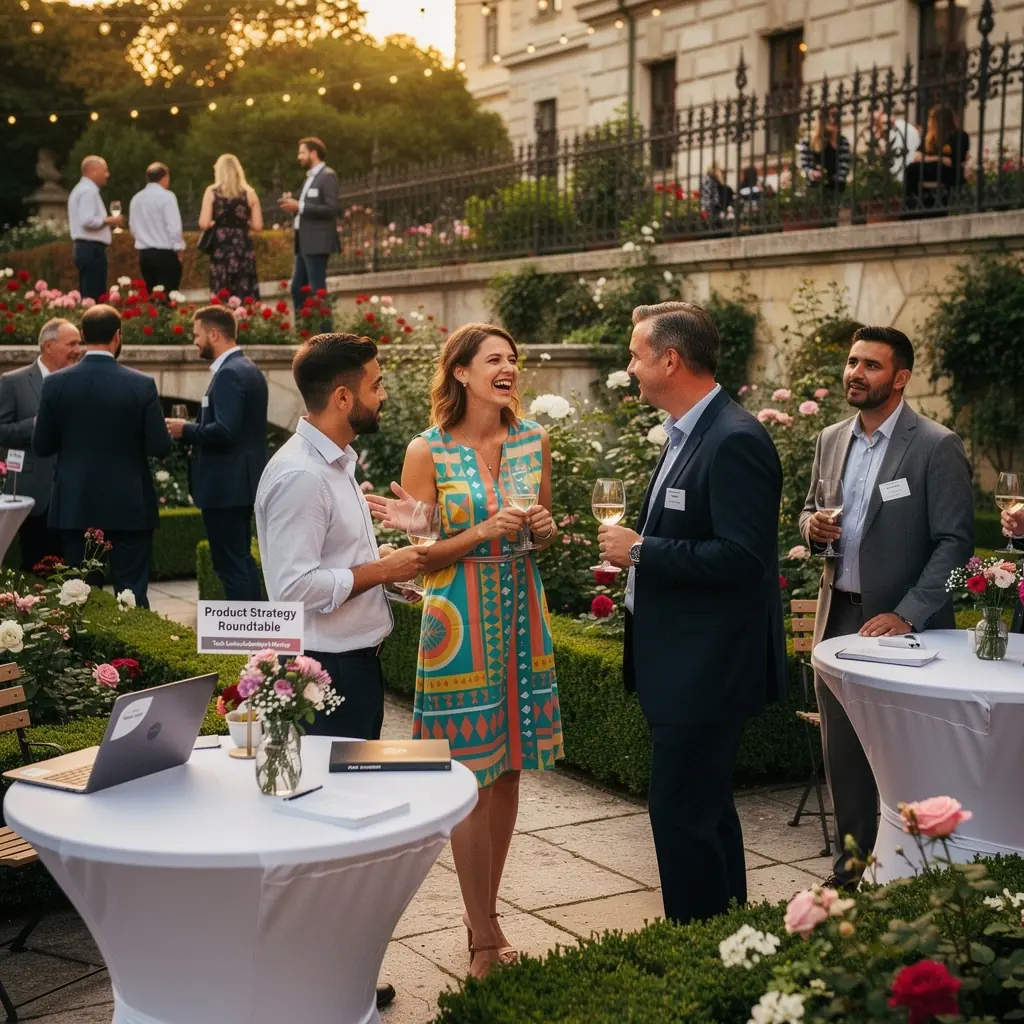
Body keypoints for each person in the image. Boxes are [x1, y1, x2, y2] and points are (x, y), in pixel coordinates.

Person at [366, 323, 563, 979]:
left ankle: (486, 913)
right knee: (466, 773)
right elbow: (420, 559)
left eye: (513, 358)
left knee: (506, 770)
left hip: (519, 615)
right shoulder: (428, 450)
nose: (508, 368)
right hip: (457, 623)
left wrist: (543, 528)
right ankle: (483, 933)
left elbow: (547, 536)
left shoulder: (535, 440)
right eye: (494, 360)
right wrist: (479, 529)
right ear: (460, 373)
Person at [595, 301, 787, 926]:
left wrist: (642, 550)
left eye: (635, 355)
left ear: (670, 360)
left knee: (681, 815)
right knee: (702, 812)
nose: (630, 367)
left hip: (706, 670)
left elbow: (743, 558)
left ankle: (696, 945)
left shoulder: (734, 438)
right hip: (681, 663)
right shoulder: (689, 431)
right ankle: (729, 939)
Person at [254, 333, 425, 1013]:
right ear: (345, 395)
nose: (386, 394)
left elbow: (338, 564)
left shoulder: (335, 462)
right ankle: (310, 982)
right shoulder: (300, 472)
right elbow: (292, 588)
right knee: (317, 836)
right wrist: (383, 569)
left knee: (343, 836)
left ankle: (336, 971)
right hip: (323, 678)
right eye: (379, 383)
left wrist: (390, 584)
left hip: (351, 667)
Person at [798, 326, 974, 888]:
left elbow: (955, 542)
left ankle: (913, 875)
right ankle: (852, 870)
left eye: (871, 366)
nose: (856, 373)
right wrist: (815, 528)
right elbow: (808, 512)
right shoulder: (830, 438)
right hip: (838, 619)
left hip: (903, 629)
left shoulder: (935, 445)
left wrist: (908, 613)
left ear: (900, 378)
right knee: (843, 752)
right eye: (852, 362)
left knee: (906, 754)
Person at [32, 305, 172, 607]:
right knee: (131, 597)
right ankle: (136, 655)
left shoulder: (55, 384)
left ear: (82, 336)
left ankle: (85, 656)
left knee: (80, 600)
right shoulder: (141, 384)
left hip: (76, 505)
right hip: (130, 507)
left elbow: (41, 446)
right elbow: (160, 446)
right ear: (117, 336)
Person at [165, 305, 268, 600]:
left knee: (230, 564)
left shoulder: (230, 373)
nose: (194, 341)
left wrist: (184, 430)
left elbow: (225, 431)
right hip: (239, 484)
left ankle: (247, 637)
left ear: (214, 333)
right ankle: (255, 633)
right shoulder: (248, 369)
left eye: (197, 334)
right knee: (239, 559)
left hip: (227, 487)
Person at [0, 318, 81, 571]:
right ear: (49, 346)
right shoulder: (13, 382)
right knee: (35, 569)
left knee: (74, 572)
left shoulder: (80, 381)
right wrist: (34, 424)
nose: (78, 350)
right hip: (35, 495)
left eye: (79, 343)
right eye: (72, 344)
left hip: (74, 493)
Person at [278, 137, 339, 329]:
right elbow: (309, 208)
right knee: (297, 288)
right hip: (304, 242)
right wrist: (296, 208)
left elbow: (331, 208)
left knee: (317, 290)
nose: (299, 157)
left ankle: (326, 335)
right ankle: (303, 332)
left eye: (302, 152)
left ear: (313, 153)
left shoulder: (327, 176)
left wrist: (301, 206)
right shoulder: (310, 178)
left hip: (317, 241)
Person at [198, 154, 262, 300]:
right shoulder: (250, 194)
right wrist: (242, 222)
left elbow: (203, 223)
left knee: (221, 288)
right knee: (244, 286)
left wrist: (216, 223)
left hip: (221, 247)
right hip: (242, 246)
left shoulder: (212, 192)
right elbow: (258, 226)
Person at [67, 155, 123, 301]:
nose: (107, 175)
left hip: (85, 248)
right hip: (92, 250)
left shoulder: (80, 189)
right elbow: (87, 221)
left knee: (89, 294)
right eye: (105, 170)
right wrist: (110, 220)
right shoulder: (88, 191)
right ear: (93, 171)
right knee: (94, 297)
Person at [903, 104, 970, 215]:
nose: (928, 123)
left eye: (931, 120)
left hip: (951, 172)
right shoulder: (930, 138)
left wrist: (930, 159)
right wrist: (939, 158)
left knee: (916, 169)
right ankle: (912, 205)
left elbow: (955, 160)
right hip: (933, 168)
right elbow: (918, 156)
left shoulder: (959, 136)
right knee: (911, 169)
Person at [128, 162, 185, 293]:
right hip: (165, 253)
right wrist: (179, 248)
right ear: (165, 177)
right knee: (169, 295)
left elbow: (133, 227)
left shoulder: (136, 199)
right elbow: (174, 227)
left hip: (145, 254)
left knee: (153, 295)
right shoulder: (167, 197)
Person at [799, 106, 853, 193]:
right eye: (829, 116)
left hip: (837, 189)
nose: (832, 120)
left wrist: (835, 140)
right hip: (814, 188)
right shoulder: (809, 140)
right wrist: (812, 173)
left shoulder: (843, 142)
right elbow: (804, 165)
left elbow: (844, 167)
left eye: (836, 116)